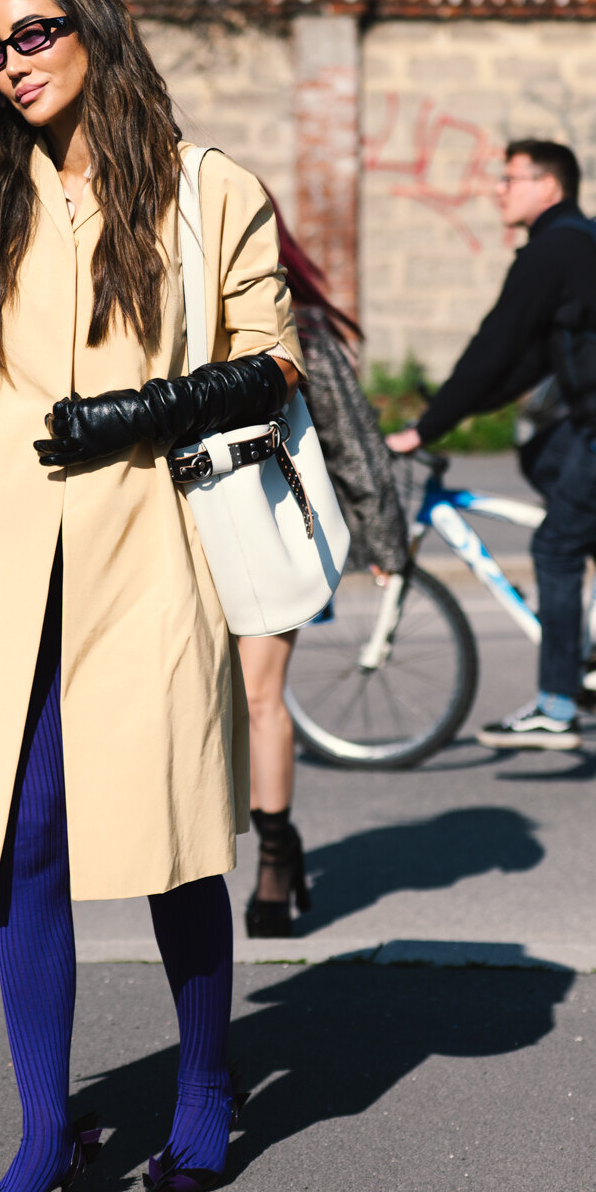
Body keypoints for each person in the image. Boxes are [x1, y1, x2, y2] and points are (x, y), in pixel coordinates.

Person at [0, 0, 303, 1192]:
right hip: (8, 568)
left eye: (37, 30)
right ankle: (45, 1136)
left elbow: (273, 359)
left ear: (97, 32)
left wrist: (146, 408)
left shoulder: (207, 189)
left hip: (148, 553)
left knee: (170, 838)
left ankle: (206, 1087)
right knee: (28, 845)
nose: (14, 58)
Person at [386, 139, 596, 751]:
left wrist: (424, 429)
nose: (498, 190)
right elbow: (525, 360)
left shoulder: (553, 251)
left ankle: (557, 706)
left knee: (555, 546)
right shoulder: (575, 247)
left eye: (511, 179)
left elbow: (493, 346)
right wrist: (455, 410)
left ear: (549, 188)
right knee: (546, 456)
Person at [237, 201, 409, 937]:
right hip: (177, 541)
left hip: (270, 534)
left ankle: (275, 856)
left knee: (257, 696)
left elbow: (350, 437)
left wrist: (384, 543)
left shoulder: (294, 326)